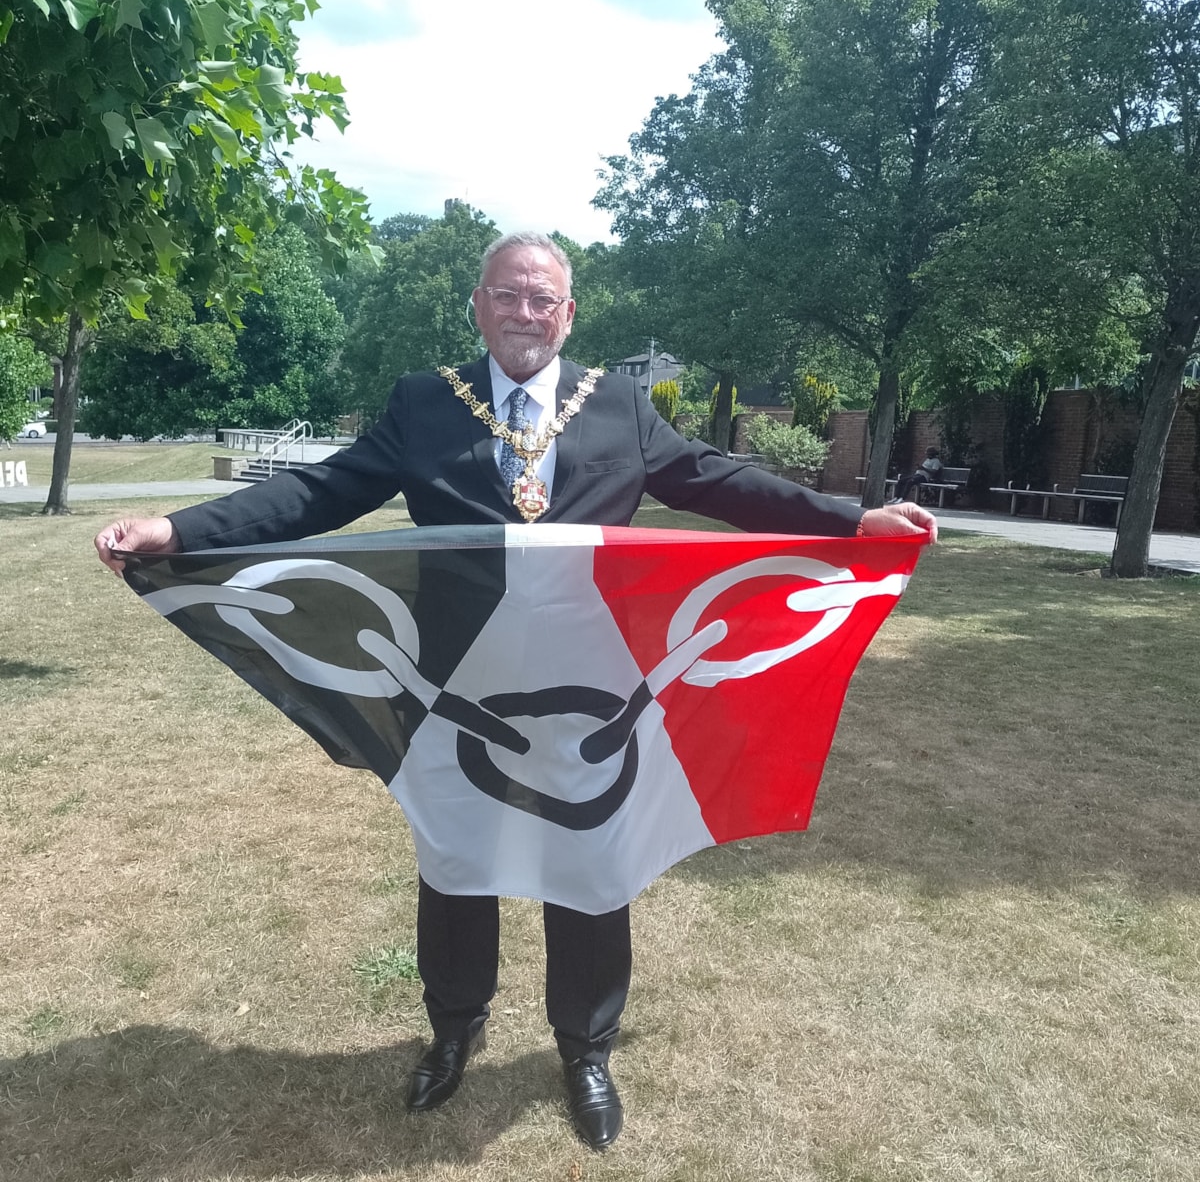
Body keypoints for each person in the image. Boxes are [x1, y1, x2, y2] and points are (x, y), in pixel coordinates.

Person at [96, 231, 936, 1152]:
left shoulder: (618, 404)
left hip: (591, 680)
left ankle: (585, 1047)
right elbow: (322, 492)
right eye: (509, 296)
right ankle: (454, 1029)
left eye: (544, 300)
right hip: (459, 683)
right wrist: (176, 529)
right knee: (457, 853)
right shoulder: (424, 403)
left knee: (589, 858)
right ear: (479, 304)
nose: (526, 314)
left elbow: (716, 480)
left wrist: (853, 519)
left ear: (568, 314)